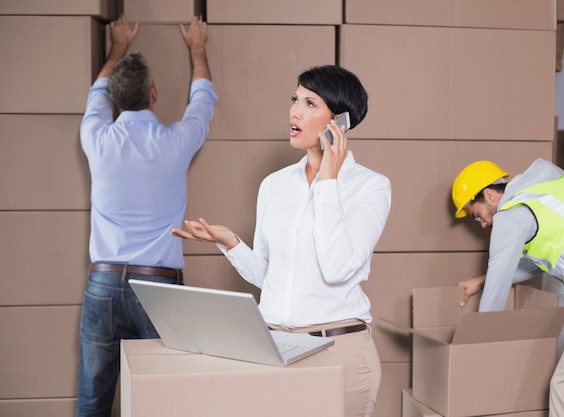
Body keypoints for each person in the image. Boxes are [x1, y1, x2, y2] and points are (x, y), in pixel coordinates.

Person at [171, 65, 391, 417]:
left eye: (310, 103)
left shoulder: (370, 187)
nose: (295, 111)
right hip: (273, 346)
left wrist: (329, 181)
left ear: (341, 121)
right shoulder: (274, 185)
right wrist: (231, 243)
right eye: (295, 99)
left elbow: (337, 268)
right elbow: (270, 279)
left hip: (339, 349)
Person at [77, 15, 217, 417]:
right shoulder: (177, 141)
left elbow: (96, 94)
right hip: (159, 291)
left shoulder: (96, 137)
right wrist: (197, 49)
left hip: (103, 284)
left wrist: (117, 46)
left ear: (116, 100)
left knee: (92, 402)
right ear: (154, 94)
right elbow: (203, 100)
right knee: (166, 404)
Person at [451, 157, 564, 417]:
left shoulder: (510, 216)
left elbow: (498, 285)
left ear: (489, 195)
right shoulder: (550, 186)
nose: (483, 224)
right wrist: (482, 280)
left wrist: (478, 344)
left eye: (477, 215)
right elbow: (535, 263)